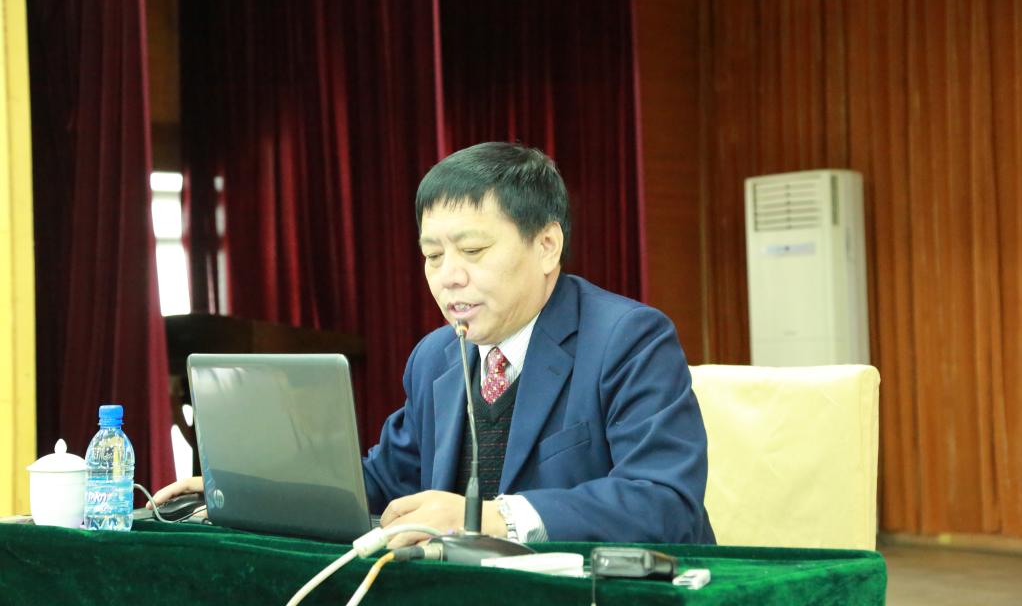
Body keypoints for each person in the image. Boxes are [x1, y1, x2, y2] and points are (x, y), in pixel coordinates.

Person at [151, 142, 715, 547]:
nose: (449, 277)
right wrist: (253, 491)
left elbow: (662, 501)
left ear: (546, 245)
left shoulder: (628, 339)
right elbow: (384, 483)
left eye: (472, 251)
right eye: (433, 255)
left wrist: (490, 519)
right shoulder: (436, 357)